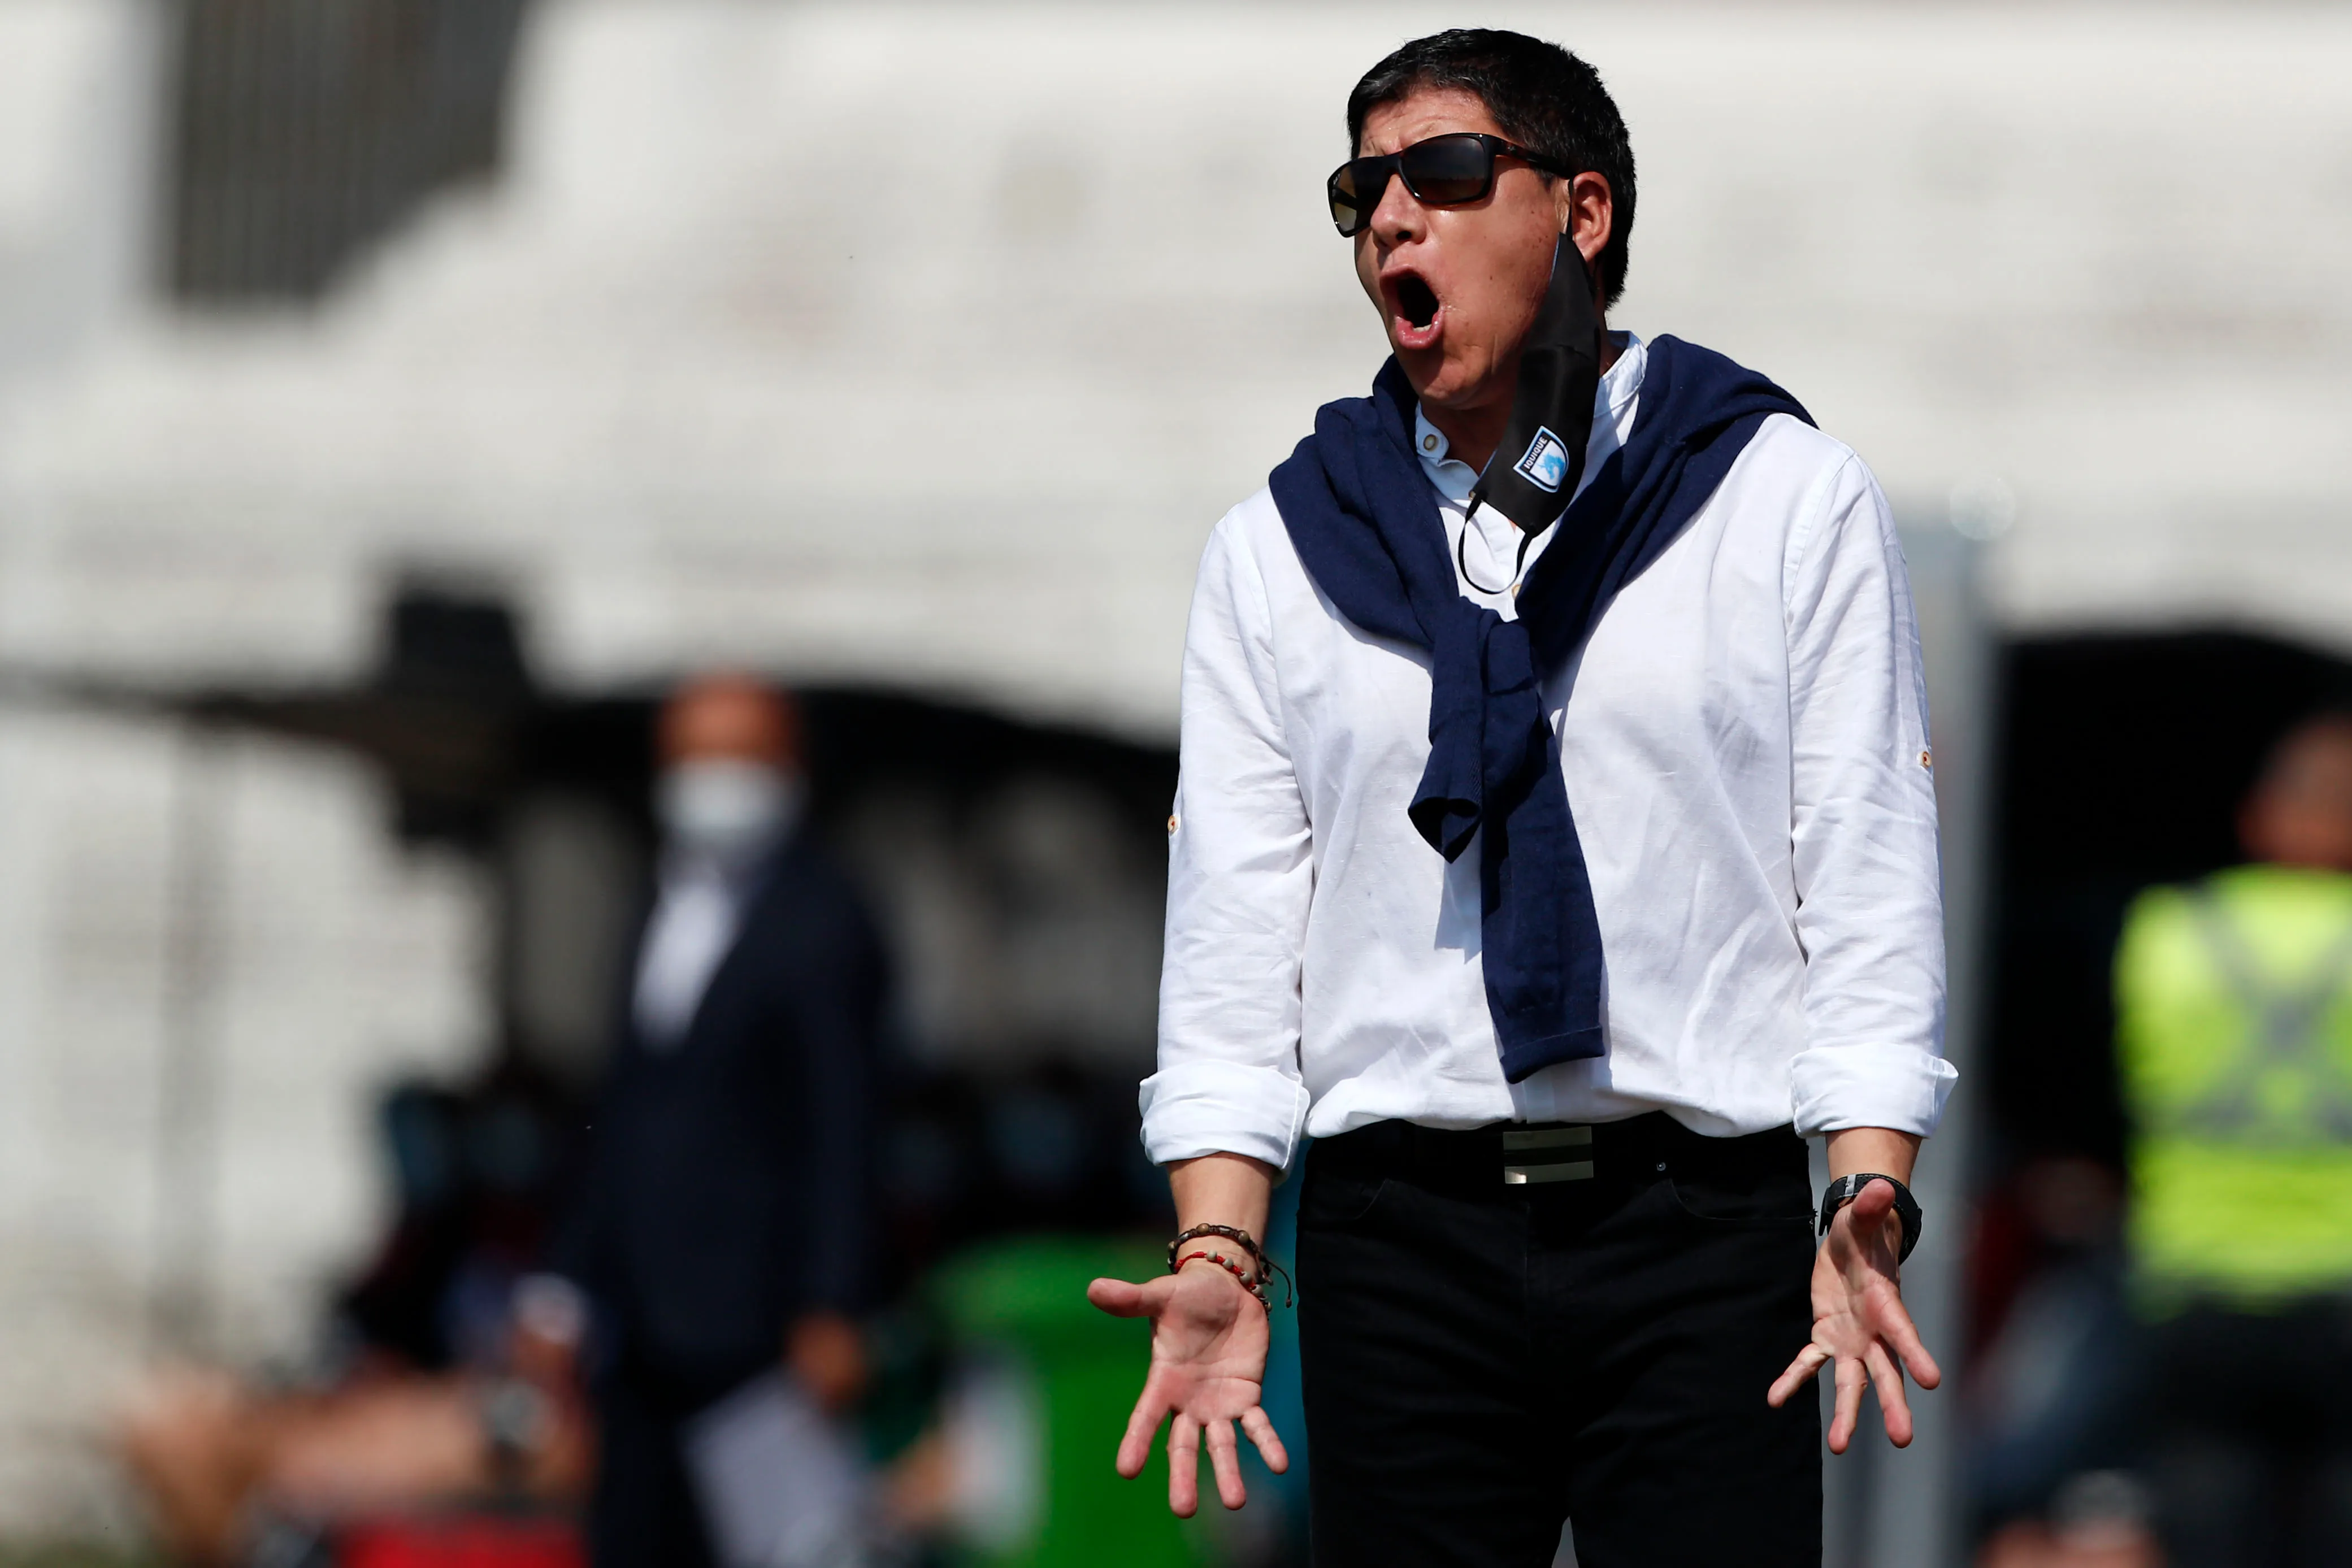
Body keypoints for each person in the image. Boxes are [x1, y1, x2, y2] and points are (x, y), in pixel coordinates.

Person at [1087, 30, 1953, 1567]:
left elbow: (1867, 863)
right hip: (1401, 1231)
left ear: (1584, 212)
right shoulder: (1287, 542)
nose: (1390, 218)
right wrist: (1222, 1241)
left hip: (1697, 1227)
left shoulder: (1772, 491)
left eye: (1445, 172)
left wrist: (1864, 1182)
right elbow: (1232, 934)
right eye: (1361, 190)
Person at [544, 674, 888, 1567]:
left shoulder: (824, 920)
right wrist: (566, 1282)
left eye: (739, 757)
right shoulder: (654, 903)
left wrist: (833, 1301)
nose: (713, 781)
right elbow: (625, 1108)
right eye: (694, 758)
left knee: (772, 1539)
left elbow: (844, 1124)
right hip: (641, 1316)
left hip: (758, 1321)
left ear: (788, 766)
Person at [2114, 711, 2352, 1566]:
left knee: (2203, 1526)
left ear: (2259, 815)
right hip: (2339, 1287)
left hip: (2194, 1283)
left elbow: (2133, 1077)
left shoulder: (2165, 932)